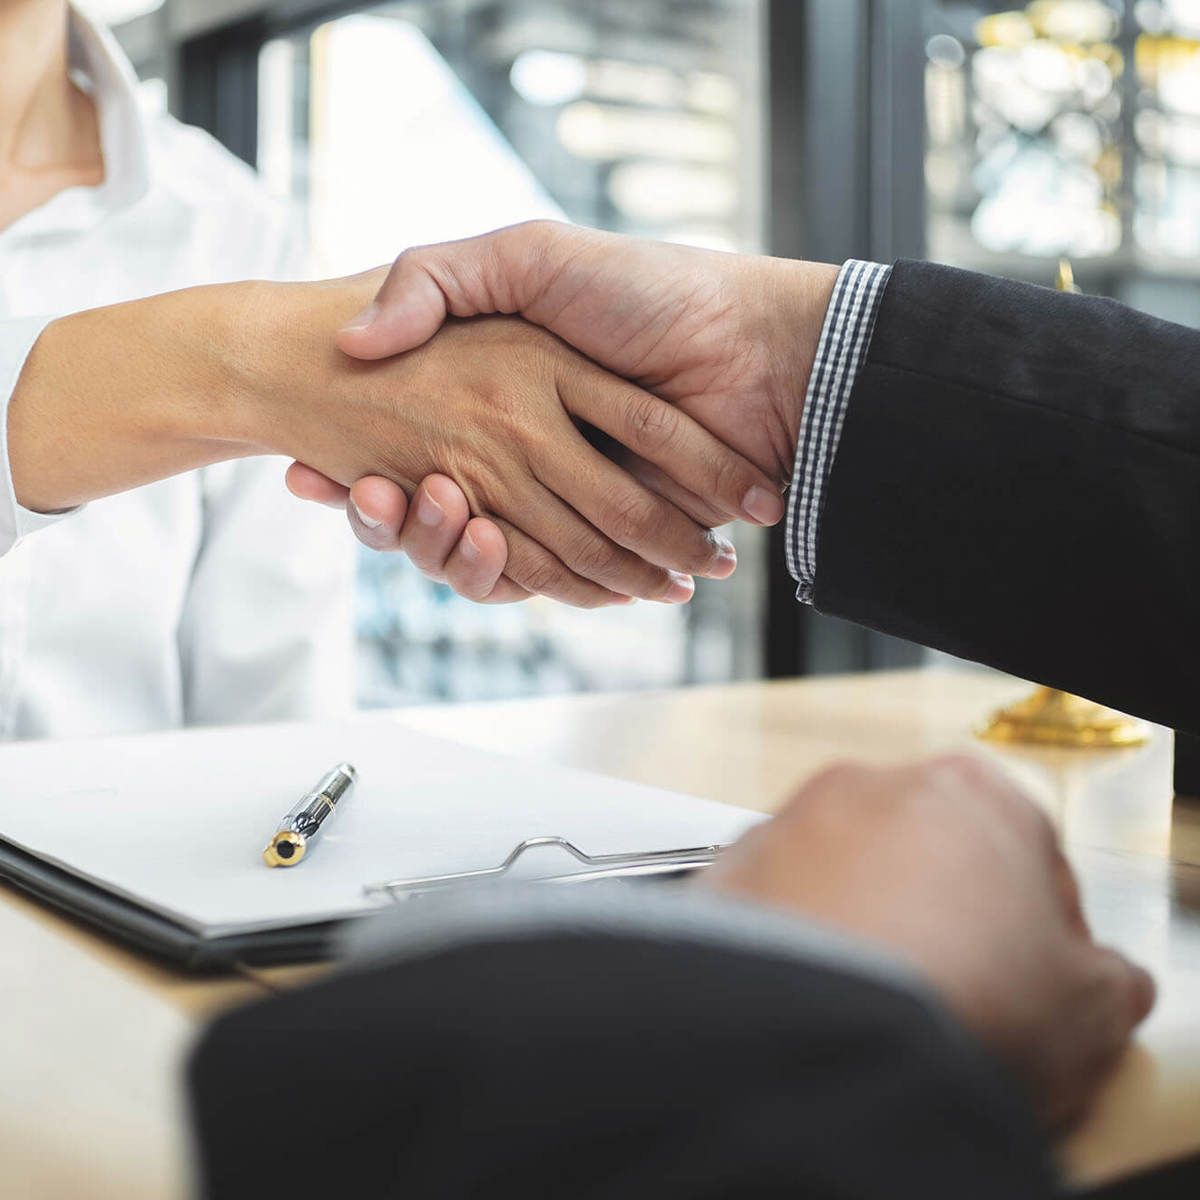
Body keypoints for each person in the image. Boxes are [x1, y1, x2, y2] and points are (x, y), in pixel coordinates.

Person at [0, 5, 773, 739]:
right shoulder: (253, 277)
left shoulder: (229, 219)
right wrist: (252, 363)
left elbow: (274, 703)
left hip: (105, 866)